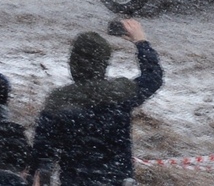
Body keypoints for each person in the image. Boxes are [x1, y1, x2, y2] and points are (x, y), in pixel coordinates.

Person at [30, 19, 163, 186]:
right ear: (104, 64)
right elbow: (153, 76)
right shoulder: (121, 94)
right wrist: (141, 42)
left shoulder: (57, 101)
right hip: (117, 181)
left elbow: (42, 155)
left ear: (73, 64)